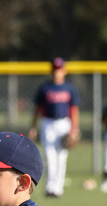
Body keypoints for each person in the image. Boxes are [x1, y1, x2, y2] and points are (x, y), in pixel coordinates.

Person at [29, 58, 80, 198]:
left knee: (61, 157)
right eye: (55, 69)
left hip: (64, 123)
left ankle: (58, 188)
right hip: (48, 123)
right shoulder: (45, 88)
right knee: (49, 156)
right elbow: (37, 109)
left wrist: (74, 128)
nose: (57, 72)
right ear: (52, 71)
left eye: (59, 69)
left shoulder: (69, 88)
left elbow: (74, 110)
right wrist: (33, 126)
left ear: (64, 71)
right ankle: (50, 188)